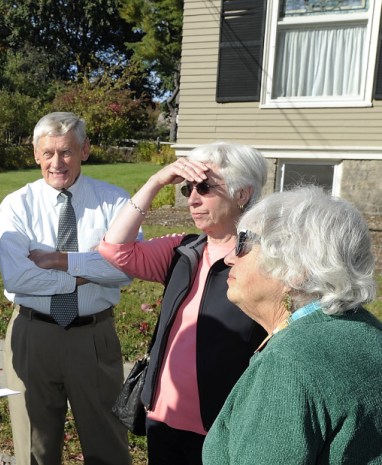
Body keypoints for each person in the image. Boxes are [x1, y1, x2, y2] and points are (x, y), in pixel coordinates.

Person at [97, 141, 269, 464]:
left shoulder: (265, 261)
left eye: (204, 187)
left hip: (222, 427)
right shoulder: (184, 250)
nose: (192, 199)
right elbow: (114, 249)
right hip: (162, 417)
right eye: (188, 188)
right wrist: (156, 181)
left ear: (242, 194)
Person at [0, 111, 142, 465]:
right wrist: (91, 267)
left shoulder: (115, 202)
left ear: (85, 150)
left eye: (66, 152)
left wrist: (62, 261)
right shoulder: (17, 205)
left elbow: (126, 267)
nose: (57, 162)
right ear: (35, 154)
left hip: (92, 338)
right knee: (35, 447)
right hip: (33, 335)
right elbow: (18, 278)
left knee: (107, 443)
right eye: (48, 153)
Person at [202, 185, 382, 464]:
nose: (229, 257)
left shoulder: (289, 363)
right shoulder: (368, 331)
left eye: (243, 243)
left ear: (296, 268)